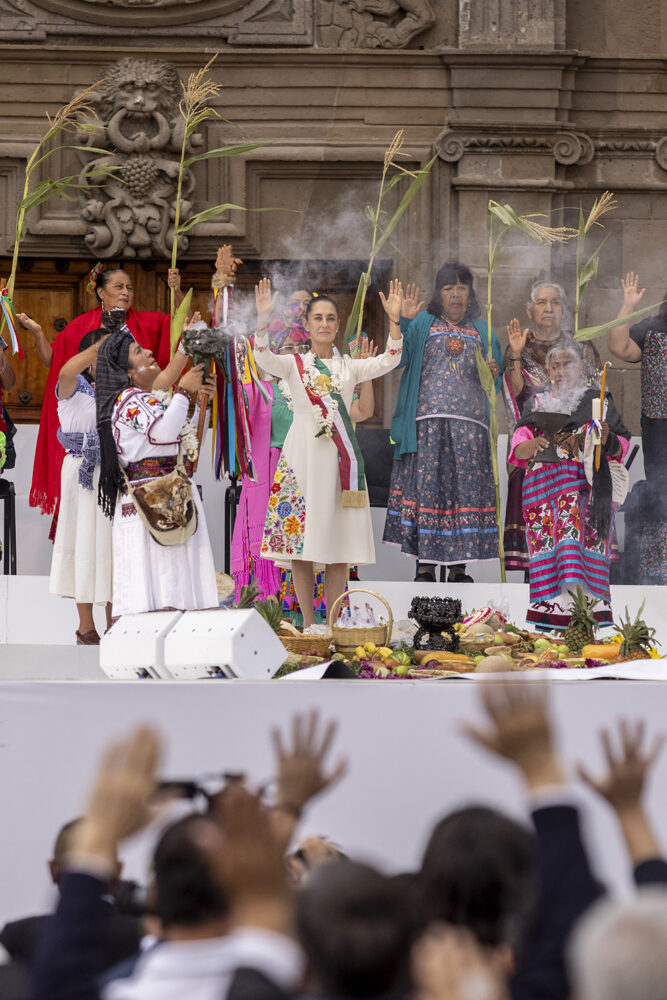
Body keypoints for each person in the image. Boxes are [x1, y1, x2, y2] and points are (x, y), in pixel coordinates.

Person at [31, 710, 345, 1000]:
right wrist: (288, 809)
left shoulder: (108, 990)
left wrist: (98, 836)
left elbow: (61, 975)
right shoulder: (282, 978)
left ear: (153, 894)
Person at [253, 278, 403, 625]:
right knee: (301, 546)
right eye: (317, 318)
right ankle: (309, 624)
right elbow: (262, 357)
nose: (324, 324)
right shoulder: (291, 364)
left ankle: (335, 625)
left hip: (339, 466)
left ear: (337, 326)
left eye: (331, 318)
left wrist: (394, 322)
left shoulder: (350, 367)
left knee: (338, 548)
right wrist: (262, 320)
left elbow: (391, 360)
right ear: (306, 325)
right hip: (302, 460)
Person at [20, 264, 186, 518]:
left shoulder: (148, 322)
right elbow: (55, 361)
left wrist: (178, 292)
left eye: (129, 287)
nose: (126, 292)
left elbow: (182, 328)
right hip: (94, 424)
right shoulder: (81, 326)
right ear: (100, 292)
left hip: (133, 432)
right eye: (118, 287)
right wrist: (38, 333)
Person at [382, 263, 503, 583]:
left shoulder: (484, 330)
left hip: (469, 431)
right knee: (429, 493)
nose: (456, 294)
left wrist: (493, 373)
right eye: (449, 287)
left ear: (470, 293)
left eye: (462, 287)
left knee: (461, 495)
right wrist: (402, 321)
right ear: (439, 293)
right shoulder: (424, 322)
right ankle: (425, 567)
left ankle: (458, 568)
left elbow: (495, 383)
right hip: (427, 427)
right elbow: (399, 359)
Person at [94, 324, 218, 616]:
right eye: (138, 351)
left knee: (168, 580)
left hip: (167, 496)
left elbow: (183, 444)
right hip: (150, 501)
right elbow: (164, 432)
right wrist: (183, 391)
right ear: (127, 372)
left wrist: (202, 403)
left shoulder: (146, 400)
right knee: (163, 581)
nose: (149, 352)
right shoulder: (130, 400)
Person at [509, 344, 630, 633]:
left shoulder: (597, 400)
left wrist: (607, 439)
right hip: (542, 495)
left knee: (576, 554)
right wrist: (531, 444)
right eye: (556, 366)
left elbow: (622, 445)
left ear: (581, 369)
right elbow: (518, 448)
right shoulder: (536, 402)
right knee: (551, 558)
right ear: (548, 371)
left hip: (584, 493)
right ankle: (553, 626)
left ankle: (583, 625)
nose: (561, 371)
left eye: (568, 364)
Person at [503, 281, 602, 575]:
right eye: (542, 302)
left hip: (575, 453)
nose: (549, 308)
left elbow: (597, 393)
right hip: (534, 443)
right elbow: (518, 394)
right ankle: (535, 575)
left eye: (555, 302)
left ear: (564, 307)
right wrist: (516, 354)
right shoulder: (520, 344)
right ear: (529, 309)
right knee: (536, 514)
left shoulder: (582, 345)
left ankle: (577, 575)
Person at [48, 328, 113, 644]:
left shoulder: (119, 389)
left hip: (112, 471)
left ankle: (115, 623)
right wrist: (99, 348)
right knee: (82, 541)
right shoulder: (73, 386)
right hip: (81, 473)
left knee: (111, 544)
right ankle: (86, 627)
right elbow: (64, 371)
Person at [607, 271, 667, 583]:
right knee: (661, 498)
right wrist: (628, 306)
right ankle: (658, 575)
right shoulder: (655, 328)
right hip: (661, 434)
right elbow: (619, 346)